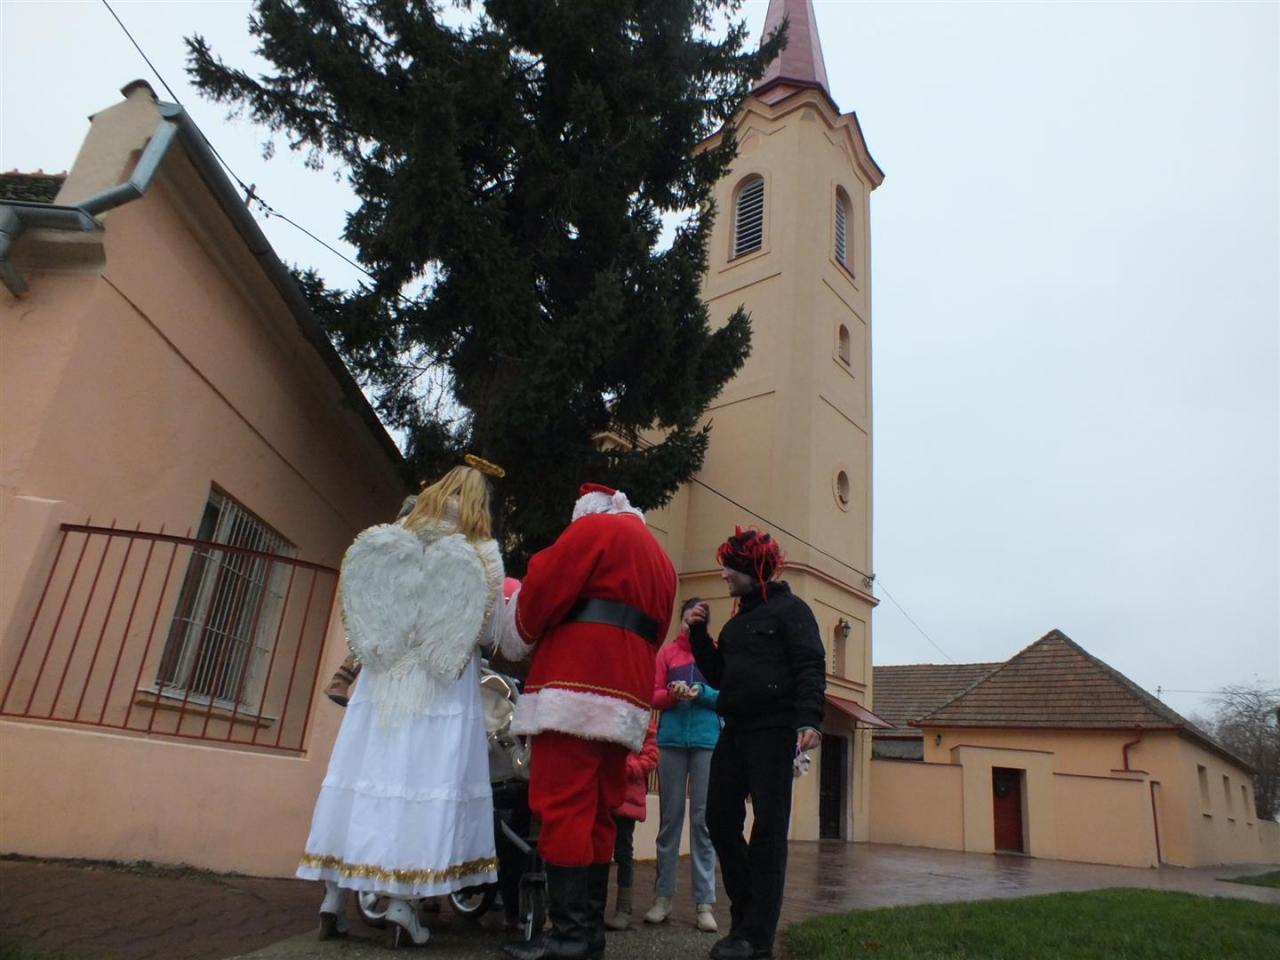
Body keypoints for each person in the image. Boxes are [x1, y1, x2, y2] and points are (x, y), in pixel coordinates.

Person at [296, 461, 507, 947]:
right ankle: (401, 906)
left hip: (383, 679)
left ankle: (333, 898)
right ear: (480, 504)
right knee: (422, 786)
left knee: (365, 779)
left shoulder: (396, 537)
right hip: (442, 683)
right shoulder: (481, 553)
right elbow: (486, 630)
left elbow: (363, 606)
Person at [497, 482, 677, 960]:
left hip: (575, 685)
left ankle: (568, 938)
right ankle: (588, 934)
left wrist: (518, 628)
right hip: (627, 696)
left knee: (562, 805)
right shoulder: (660, 558)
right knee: (600, 808)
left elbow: (540, 594)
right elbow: (658, 629)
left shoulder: (592, 530)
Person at [687, 528, 825, 960]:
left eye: (730, 566)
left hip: (774, 732)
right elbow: (718, 675)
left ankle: (756, 936)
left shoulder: (792, 612)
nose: (723, 574)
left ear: (752, 568)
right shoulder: (735, 624)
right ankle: (747, 918)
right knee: (718, 818)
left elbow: (810, 665)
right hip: (735, 731)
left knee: (769, 830)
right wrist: (698, 635)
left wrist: (809, 718)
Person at [643, 597, 720, 933]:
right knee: (670, 820)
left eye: (698, 621)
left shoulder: (715, 653)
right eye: (688, 620)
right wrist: (672, 694)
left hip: (706, 741)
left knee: (703, 822)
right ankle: (663, 898)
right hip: (672, 742)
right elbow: (653, 694)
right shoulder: (667, 654)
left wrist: (701, 692)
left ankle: (705, 904)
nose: (691, 626)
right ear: (681, 620)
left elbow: (725, 695)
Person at [603, 715, 659, 932]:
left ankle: (623, 908)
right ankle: (594, 904)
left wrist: (629, 768)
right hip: (605, 793)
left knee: (623, 851)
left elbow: (651, 755)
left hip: (627, 796)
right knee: (599, 851)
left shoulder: (642, 718)